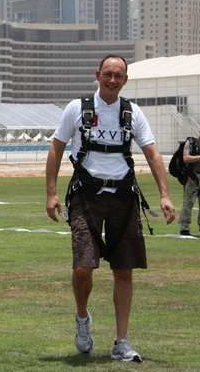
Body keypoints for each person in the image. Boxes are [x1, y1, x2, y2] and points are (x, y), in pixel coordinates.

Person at [45, 55, 176, 362]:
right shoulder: (77, 109)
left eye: (119, 75)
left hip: (124, 197)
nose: (113, 80)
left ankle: (122, 340)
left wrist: (165, 194)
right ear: (98, 75)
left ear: (125, 80)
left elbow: (153, 154)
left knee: (124, 270)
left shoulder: (132, 113)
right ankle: (81, 318)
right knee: (83, 266)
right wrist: (51, 193)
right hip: (85, 197)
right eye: (108, 74)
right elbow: (56, 148)